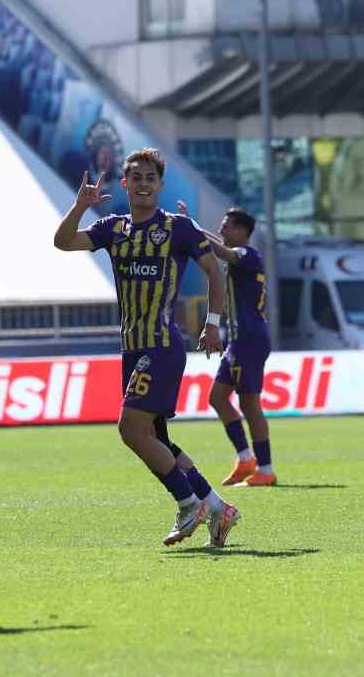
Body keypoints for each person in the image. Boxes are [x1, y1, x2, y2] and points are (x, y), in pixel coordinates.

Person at [54, 149, 241, 548]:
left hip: (161, 346)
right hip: (131, 348)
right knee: (157, 441)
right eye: (135, 177)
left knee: (130, 430)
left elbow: (214, 271)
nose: (142, 184)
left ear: (159, 184)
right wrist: (78, 206)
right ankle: (216, 506)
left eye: (149, 178)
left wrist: (212, 324)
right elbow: (63, 241)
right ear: (125, 184)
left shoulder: (178, 227)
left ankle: (188, 504)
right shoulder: (112, 228)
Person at [193, 206, 277, 486]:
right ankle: (245, 459)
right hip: (238, 340)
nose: (221, 230)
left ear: (242, 231)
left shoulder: (247, 254)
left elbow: (224, 252)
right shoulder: (241, 256)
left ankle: (265, 469)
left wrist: (191, 230)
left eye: (226, 226)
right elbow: (216, 244)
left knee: (249, 403)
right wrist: (191, 225)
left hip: (249, 340)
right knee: (217, 397)